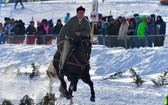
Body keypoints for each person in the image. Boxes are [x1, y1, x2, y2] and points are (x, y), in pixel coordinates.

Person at [58, 6, 91, 77]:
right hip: (69, 40)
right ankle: (62, 68)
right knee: (65, 52)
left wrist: (81, 33)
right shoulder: (72, 20)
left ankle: (86, 65)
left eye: (83, 13)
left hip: (80, 40)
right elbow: (64, 29)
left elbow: (88, 31)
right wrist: (61, 39)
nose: (81, 14)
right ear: (77, 13)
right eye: (80, 12)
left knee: (87, 49)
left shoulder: (86, 21)